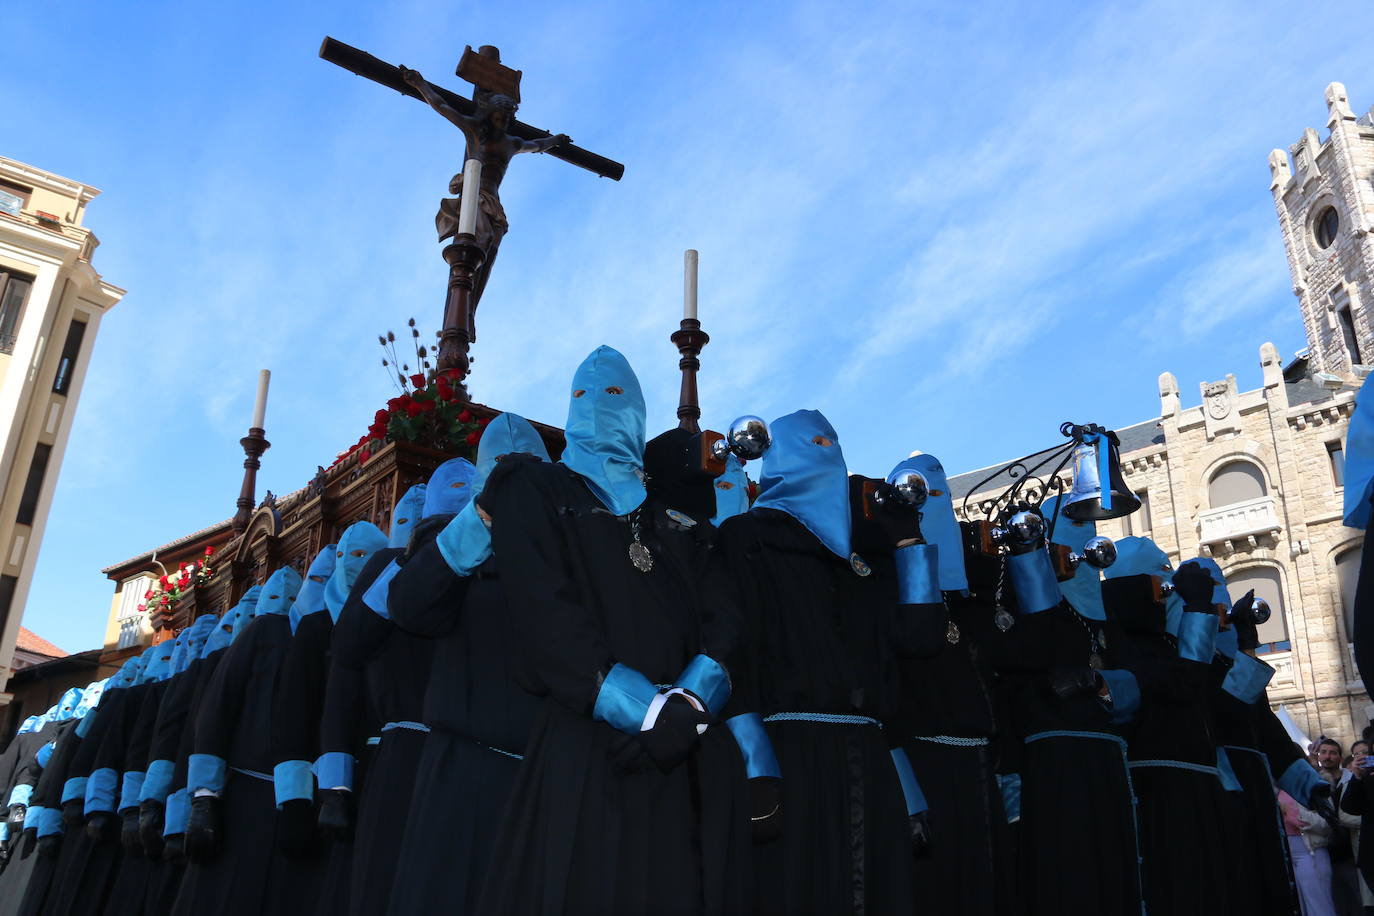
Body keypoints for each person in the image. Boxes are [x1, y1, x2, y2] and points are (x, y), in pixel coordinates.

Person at [475, 346, 751, 914]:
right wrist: (642, 709)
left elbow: (726, 619)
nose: (598, 406)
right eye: (582, 395)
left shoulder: (676, 522)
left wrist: (692, 701)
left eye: (617, 396)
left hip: (685, 752)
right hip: (585, 746)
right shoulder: (537, 491)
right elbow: (543, 608)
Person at [715, 410, 945, 914]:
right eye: (813, 445)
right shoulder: (745, 537)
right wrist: (756, 767)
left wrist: (908, 541)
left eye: (833, 446)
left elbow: (918, 642)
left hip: (870, 764)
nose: (828, 457)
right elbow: (729, 655)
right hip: (791, 755)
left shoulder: (857, 563)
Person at [385, 420, 546, 915]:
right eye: (498, 467)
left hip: (543, 778)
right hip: (461, 774)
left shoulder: (565, 544)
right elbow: (409, 608)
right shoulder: (453, 544)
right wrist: (480, 520)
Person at [892, 453, 1014, 915]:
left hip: (978, 766)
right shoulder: (891, 583)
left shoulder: (973, 601)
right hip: (926, 764)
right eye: (926, 498)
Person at [172, 565, 302, 916]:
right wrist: (204, 798)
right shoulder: (259, 634)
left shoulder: (308, 635)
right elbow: (217, 712)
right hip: (242, 798)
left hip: (275, 800)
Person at [1285, 784, 1339, 916]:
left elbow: (1328, 823)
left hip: (1311, 851)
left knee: (1320, 906)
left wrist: (1294, 813)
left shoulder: (1312, 786)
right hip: (1288, 854)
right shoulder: (1272, 789)